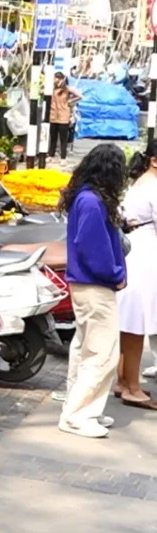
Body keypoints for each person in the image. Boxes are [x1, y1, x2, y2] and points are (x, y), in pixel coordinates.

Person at [59, 143, 128, 438]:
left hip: (86, 283)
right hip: (95, 283)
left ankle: (79, 409)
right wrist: (115, 274)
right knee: (103, 352)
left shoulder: (85, 197)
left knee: (85, 348)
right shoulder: (92, 201)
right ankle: (78, 414)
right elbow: (92, 248)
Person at [116, 140, 157, 410]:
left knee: (131, 322)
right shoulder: (152, 185)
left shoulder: (142, 182)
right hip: (143, 254)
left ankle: (124, 381)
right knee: (136, 323)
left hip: (138, 250)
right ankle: (132, 387)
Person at [48, 72, 81, 163]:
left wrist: (70, 101)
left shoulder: (67, 89)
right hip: (53, 115)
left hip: (63, 117)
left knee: (63, 139)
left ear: (61, 79)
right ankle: (51, 155)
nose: (54, 80)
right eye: (54, 78)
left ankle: (63, 158)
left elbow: (80, 96)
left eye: (56, 78)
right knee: (53, 137)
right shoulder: (51, 89)